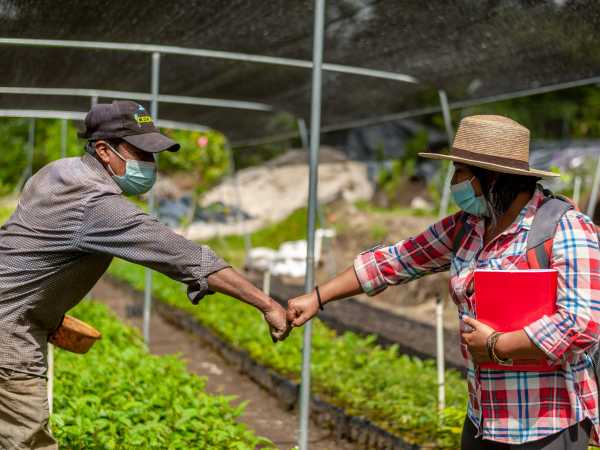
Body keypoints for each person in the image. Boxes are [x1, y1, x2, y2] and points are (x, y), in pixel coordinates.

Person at [287, 115, 600, 449]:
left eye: (461, 171)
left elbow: (582, 323)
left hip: (545, 424)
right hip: (484, 418)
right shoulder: (468, 226)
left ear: (490, 177)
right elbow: (394, 261)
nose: (455, 182)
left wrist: (497, 345)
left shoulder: (563, 227)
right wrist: (317, 297)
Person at [0, 100, 290, 450]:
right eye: (142, 153)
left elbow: (25, 251)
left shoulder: (57, 172)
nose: (151, 165)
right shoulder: (97, 204)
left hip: (18, 317)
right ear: (104, 151)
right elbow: (182, 255)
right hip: (10, 337)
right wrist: (265, 303)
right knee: (27, 443)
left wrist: (46, 310)